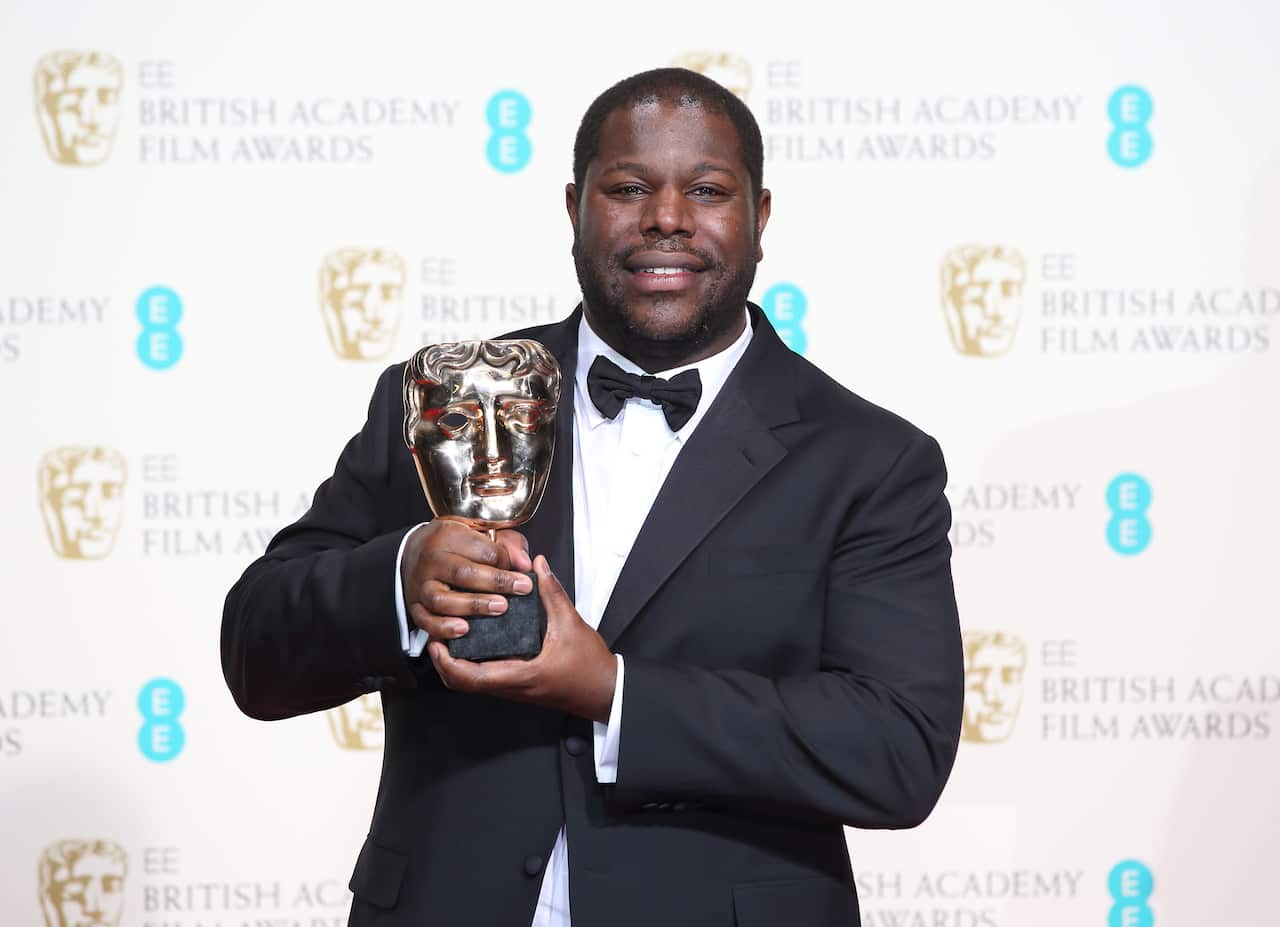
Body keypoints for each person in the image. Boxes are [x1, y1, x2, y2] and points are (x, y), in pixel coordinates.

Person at [222, 67, 963, 927]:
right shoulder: (445, 398)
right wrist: (398, 580)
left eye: (709, 190)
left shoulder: (869, 459)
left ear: (759, 218)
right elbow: (255, 651)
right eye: (628, 187)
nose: (667, 219)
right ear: (574, 207)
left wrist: (615, 689)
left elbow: (898, 748)